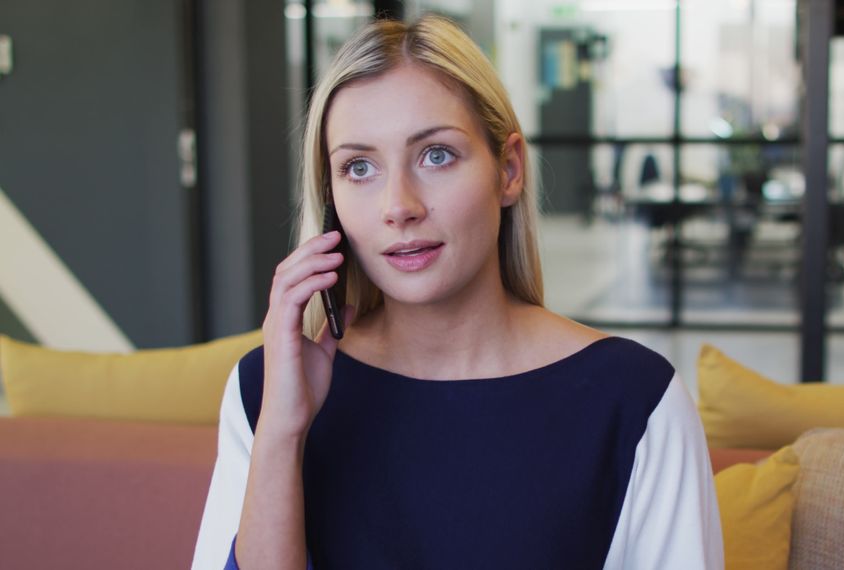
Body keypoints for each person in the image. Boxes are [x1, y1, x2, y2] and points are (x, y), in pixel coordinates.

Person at [191, 15, 722, 570]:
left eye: (436, 155)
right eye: (359, 167)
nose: (399, 206)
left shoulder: (634, 400)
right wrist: (282, 432)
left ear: (509, 170)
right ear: (330, 202)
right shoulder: (268, 389)